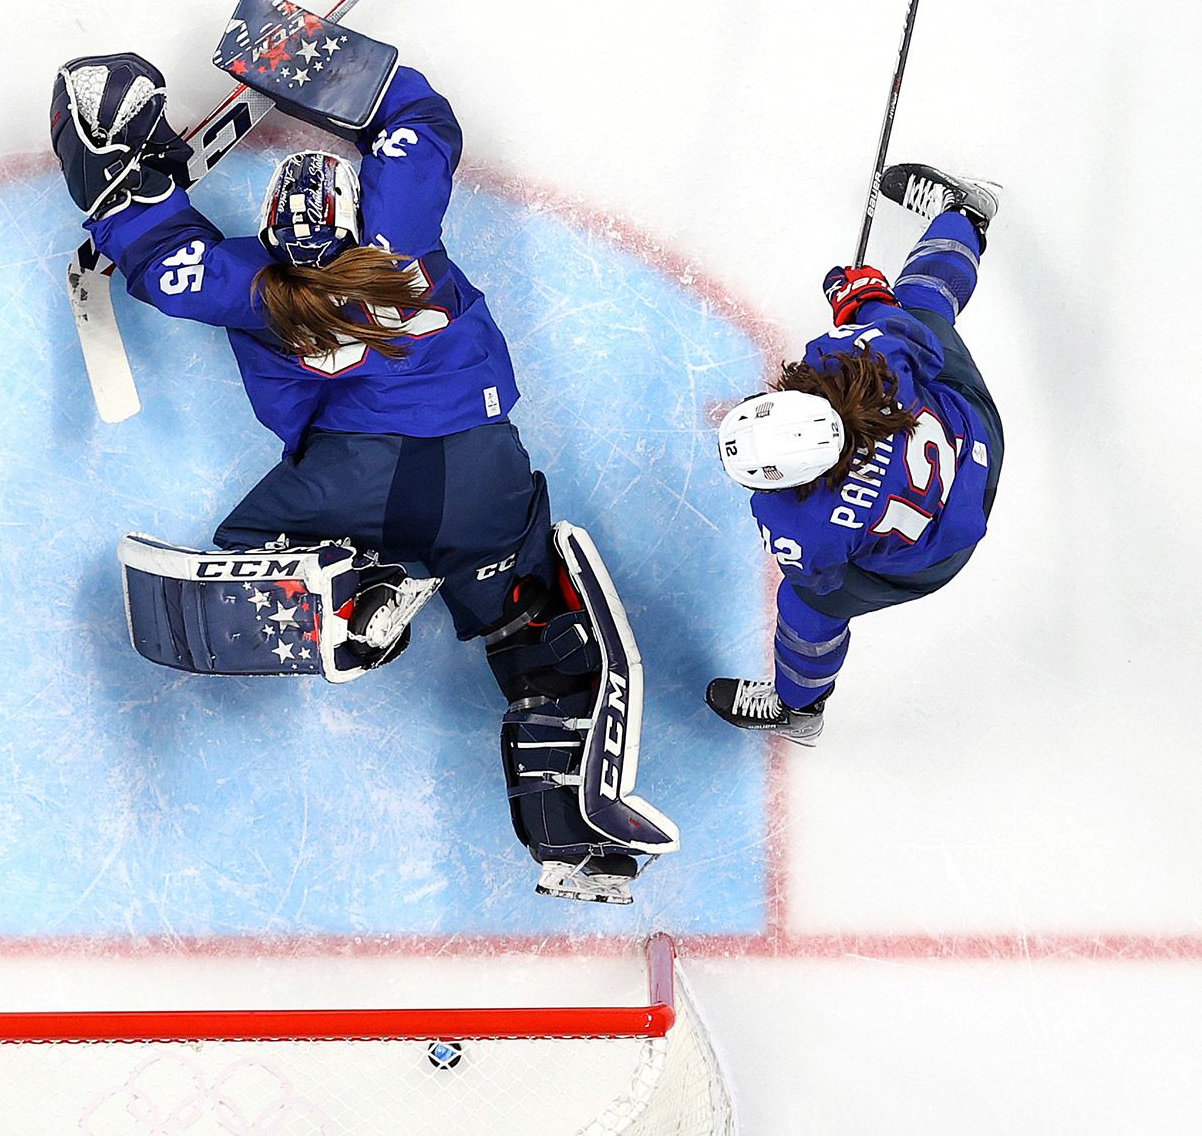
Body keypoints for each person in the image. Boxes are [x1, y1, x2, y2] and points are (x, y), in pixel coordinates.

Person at [50, 45, 676, 904]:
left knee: (251, 554)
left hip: (352, 483)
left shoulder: (254, 284)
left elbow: (158, 255)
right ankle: (571, 847)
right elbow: (421, 123)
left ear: (274, 227)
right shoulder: (401, 236)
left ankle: (358, 599)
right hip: (478, 473)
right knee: (536, 640)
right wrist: (312, 66)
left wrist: (131, 175)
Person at [709, 164, 1004, 743]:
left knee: (807, 609)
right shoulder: (866, 360)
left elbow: (816, 573)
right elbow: (893, 325)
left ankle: (799, 708)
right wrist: (861, 297)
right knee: (921, 306)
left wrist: (859, 302)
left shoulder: (800, 525)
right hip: (974, 439)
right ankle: (965, 217)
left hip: (934, 555)